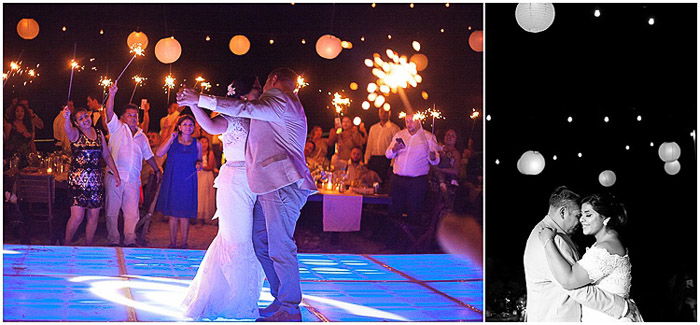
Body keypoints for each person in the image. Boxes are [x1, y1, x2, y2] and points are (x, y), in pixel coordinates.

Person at [178, 67, 316, 322]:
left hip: (283, 183)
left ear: (273, 80)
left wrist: (199, 99)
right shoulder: (275, 104)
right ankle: (280, 299)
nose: (261, 89)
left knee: (280, 245)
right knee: (262, 243)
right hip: (264, 184)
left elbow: (245, 109)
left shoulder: (281, 99)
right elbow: (232, 117)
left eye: (263, 83)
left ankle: (289, 306)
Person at [180, 75, 264, 320]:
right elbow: (210, 126)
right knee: (235, 240)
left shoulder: (257, 115)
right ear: (243, 94)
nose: (260, 92)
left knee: (247, 240)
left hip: (252, 182)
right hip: (234, 182)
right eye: (257, 89)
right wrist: (194, 104)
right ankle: (230, 300)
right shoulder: (230, 117)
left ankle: (241, 295)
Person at [523, 186, 639, 322]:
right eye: (579, 215)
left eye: (587, 215)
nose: (581, 220)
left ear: (605, 218)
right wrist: (622, 307)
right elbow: (575, 287)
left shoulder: (544, 232)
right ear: (562, 212)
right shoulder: (553, 238)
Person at [104, 83, 161, 247]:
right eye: (130, 115)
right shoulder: (116, 128)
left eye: (136, 115)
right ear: (122, 117)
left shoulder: (142, 136)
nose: (134, 118)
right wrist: (112, 94)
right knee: (111, 211)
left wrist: (157, 169)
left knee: (132, 213)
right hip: (115, 177)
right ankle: (113, 240)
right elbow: (109, 112)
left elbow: (149, 155)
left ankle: (130, 240)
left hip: (133, 179)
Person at [61, 105, 121, 245]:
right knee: (77, 216)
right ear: (76, 123)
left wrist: (116, 173)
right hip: (78, 180)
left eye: (86, 116)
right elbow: (67, 130)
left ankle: (88, 245)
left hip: (95, 180)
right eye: (80, 119)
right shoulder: (75, 133)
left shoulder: (99, 133)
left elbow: (106, 155)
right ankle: (66, 243)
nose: (85, 120)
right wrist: (66, 118)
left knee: (93, 216)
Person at [155, 115, 201, 249]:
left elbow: (199, 160)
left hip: (188, 180)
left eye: (190, 125)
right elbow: (159, 153)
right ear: (179, 127)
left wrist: (199, 164)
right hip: (173, 179)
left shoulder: (196, 143)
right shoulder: (173, 141)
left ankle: (184, 243)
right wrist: (170, 137)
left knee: (185, 213)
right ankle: (172, 243)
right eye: (185, 124)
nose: (188, 127)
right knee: (173, 213)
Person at [385, 113, 440, 220]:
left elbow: (435, 161)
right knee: (395, 209)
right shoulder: (399, 135)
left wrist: (433, 157)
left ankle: (412, 235)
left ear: (419, 121)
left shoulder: (428, 137)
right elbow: (388, 154)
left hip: (417, 182)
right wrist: (394, 149)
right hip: (398, 179)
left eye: (412, 121)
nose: (409, 124)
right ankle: (393, 234)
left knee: (414, 210)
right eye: (407, 121)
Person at [365, 108, 400, 181]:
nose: (383, 114)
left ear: (389, 113)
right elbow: (369, 145)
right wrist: (366, 160)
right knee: (373, 182)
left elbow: (396, 147)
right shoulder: (373, 128)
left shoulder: (394, 128)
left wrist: (392, 163)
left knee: (384, 183)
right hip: (374, 159)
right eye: (381, 112)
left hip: (386, 160)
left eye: (386, 112)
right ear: (379, 113)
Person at [433, 129, 462, 210]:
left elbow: (455, 171)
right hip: (434, 183)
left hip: (448, 183)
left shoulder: (456, 153)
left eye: (452, 136)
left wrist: (440, 169)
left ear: (456, 139)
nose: (449, 137)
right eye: (447, 135)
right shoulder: (439, 148)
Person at [196, 136, 217, 225]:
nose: (204, 144)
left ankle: (205, 217)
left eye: (205, 142)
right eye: (202, 142)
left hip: (206, 175)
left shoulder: (210, 153)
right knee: (198, 195)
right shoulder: (196, 153)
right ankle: (197, 217)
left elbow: (211, 167)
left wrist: (202, 167)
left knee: (205, 195)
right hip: (198, 176)